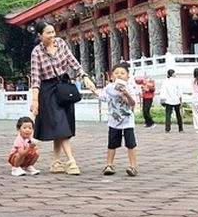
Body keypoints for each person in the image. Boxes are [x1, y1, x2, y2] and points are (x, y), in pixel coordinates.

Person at [29, 20, 96, 174]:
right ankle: (71, 162)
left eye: (53, 32)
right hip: (48, 91)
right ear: (40, 35)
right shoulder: (36, 52)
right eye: (48, 33)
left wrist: (84, 77)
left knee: (63, 125)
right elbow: (35, 79)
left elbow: (73, 62)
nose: (52, 35)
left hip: (64, 88)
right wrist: (35, 101)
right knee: (60, 125)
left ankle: (55, 162)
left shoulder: (60, 43)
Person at [99, 64, 139, 176]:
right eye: (116, 73)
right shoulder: (109, 88)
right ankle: (109, 165)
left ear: (127, 76)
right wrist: (93, 90)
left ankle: (133, 166)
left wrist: (126, 94)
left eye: (122, 73)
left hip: (127, 121)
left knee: (130, 144)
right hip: (114, 121)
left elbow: (133, 103)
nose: (119, 75)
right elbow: (103, 97)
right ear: (112, 76)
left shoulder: (129, 87)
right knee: (112, 144)